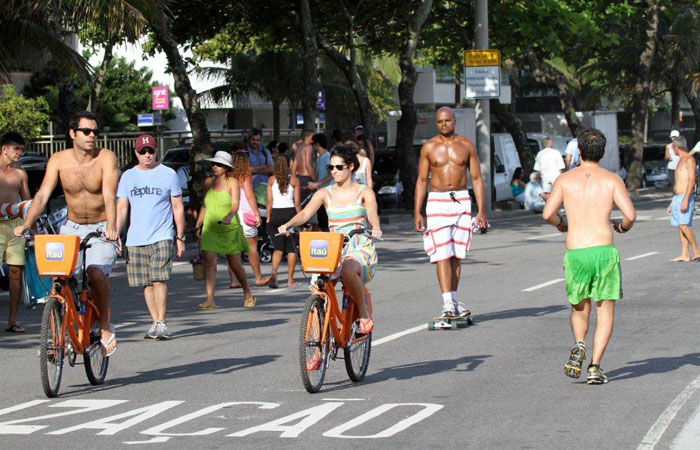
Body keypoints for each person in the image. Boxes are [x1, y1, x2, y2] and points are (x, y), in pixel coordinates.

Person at [15, 111, 119, 356]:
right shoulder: (59, 160)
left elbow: (109, 196)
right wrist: (26, 223)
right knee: (59, 282)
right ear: (73, 134)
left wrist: (112, 228)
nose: (92, 136)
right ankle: (55, 339)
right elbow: (42, 195)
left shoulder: (106, 158)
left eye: (95, 131)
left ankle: (104, 324)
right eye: (86, 131)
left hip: (101, 225)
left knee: (94, 272)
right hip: (70, 227)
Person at [542, 128, 636, 385]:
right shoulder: (612, 180)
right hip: (604, 251)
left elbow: (547, 214)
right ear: (603, 153)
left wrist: (562, 223)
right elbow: (630, 216)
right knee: (604, 310)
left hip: (576, 253)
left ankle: (579, 343)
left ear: (579, 151)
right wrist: (621, 227)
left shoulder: (565, 180)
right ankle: (595, 366)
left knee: (579, 308)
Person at [278, 144, 382, 339]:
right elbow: (305, 214)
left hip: (359, 246)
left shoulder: (364, 192)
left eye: (339, 167)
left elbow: (372, 214)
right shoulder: (324, 193)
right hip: (334, 248)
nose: (334, 171)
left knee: (348, 268)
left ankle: (363, 316)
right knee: (317, 288)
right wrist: (288, 224)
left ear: (351, 166)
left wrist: (375, 227)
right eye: (331, 168)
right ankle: (317, 346)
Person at [413, 107, 487, 318]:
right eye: (439, 121)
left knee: (456, 255)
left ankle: (453, 300)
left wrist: (481, 211)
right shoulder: (429, 147)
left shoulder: (466, 145)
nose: (443, 124)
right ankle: (446, 303)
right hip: (437, 201)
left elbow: (477, 179)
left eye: (447, 120)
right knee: (442, 253)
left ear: (454, 121)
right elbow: (421, 180)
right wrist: (417, 211)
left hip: (461, 200)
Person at [115, 135, 185, 340]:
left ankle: (162, 322)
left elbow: (177, 206)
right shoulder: (128, 176)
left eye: (150, 151)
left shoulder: (168, 174)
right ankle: (155, 321)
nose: (147, 155)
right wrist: (117, 234)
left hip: (162, 234)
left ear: (156, 152)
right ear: (136, 153)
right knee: (146, 282)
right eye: (142, 151)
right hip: (136, 237)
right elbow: (121, 207)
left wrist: (180, 237)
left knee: (159, 278)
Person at [194, 151, 254, 309]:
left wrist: (229, 216)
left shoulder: (232, 182)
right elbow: (205, 205)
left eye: (219, 164)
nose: (215, 166)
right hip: (211, 228)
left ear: (226, 168)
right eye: (214, 163)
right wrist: (198, 224)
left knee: (234, 264)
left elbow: (235, 204)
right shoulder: (208, 182)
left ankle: (247, 292)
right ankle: (209, 300)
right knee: (210, 264)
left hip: (229, 228)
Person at [0, 132, 29, 333]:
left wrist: (32, 227)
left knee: (15, 273)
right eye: (16, 149)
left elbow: (28, 203)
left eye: (21, 149)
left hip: (15, 226)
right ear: (4, 149)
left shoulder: (20, 174)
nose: (19, 153)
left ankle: (12, 320)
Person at [228, 143, 269, 288]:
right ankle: (258, 277)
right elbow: (250, 196)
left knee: (233, 249)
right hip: (244, 213)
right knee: (252, 247)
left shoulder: (227, 176)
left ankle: (234, 280)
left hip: (230, 214)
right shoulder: (244, 176)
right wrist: (257, 213)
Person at [267, 155, 301, 288]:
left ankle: (274, 273)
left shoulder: (271, 180)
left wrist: (269, 218)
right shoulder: (294, 180)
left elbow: (269, 201)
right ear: (288, 165)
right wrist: (301, 218)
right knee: (291, 249)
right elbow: (297, 203)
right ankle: (290, 280)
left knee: (278, 248)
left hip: (275, 213)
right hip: (290, 214)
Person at [666, 136, 699, 262]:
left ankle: (697, 251)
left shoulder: (689, 160)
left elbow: (691, 181)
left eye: (672, 147)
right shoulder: (680, 160)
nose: (671, 150)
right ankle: (685, 254)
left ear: (676, 147)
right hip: (677, 198)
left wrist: (685, 199)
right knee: (680, 226)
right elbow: (678, 184)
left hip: (685, 197)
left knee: (683, 225)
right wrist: (672, 202)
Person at [308, 133, 332, 231]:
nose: (312, 146)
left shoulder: (327, 157)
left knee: (326, 220)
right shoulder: (319, 158)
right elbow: (318, 176)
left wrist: (317, 184)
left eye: (313, 144)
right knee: (321, 220)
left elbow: (331, 175)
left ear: (317, 144)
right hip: (321, 192)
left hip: (328, 192)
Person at [290, 129, 316, 201]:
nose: (314, 138)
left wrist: (294, 179)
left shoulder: (299, 148)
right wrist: (315, 180)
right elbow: (308, 165)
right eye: (313, 136)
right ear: (307, 137)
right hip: (307, 178)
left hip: (299, 178)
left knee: (300, 202)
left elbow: (294, 167)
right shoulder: (308, 147)